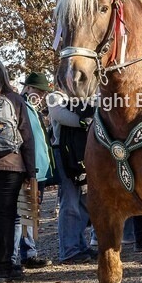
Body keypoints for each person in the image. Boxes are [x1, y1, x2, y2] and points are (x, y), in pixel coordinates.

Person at [0, 59, 36, 283]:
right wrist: (31, 172)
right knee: (7, 216)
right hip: (11, 165)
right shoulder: (15, 100)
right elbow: (27, 138)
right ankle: (5, 267)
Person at [13, 72, 55, 271]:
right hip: (29, 169)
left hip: (39, 171)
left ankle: (28, 253)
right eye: (39, 90)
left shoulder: (33, 108)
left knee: (30, 214)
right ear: (28, 88)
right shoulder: (21, 105)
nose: (42, 94)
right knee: (22, 214)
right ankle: (19, 257)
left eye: (44, 92)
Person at [49, 91, 97, 264]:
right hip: (64, 153)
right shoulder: (55, 97)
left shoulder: (87, 97)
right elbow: (63, 117)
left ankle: (79, 245)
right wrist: (88, 118)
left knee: (83, 201)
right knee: (70, 202)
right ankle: (68, 250)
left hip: (83, 152)